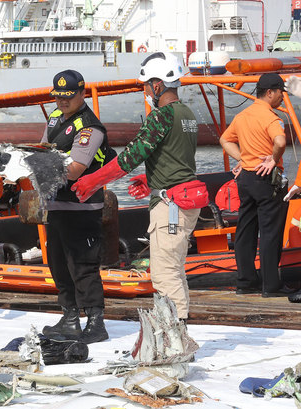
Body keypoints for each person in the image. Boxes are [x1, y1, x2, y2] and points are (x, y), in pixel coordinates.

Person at [72, 52, 204, 321]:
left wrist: (90, 181)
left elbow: (128, 158)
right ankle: (178, 328)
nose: (144, 91)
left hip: (170, 206)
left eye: (145, 85)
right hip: (184, 198)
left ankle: (173, 334)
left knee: (165, 273)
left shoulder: (161, 117)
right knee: (175, 268)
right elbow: (177, 157)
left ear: (157, 85)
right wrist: (150, 179)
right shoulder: (186, 114)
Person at [38, 70, 114, 344]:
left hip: (82, 207)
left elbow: (76, 169)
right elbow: (43, 149)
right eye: (58, 97)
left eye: (68, 96)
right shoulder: (55, 118)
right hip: (57, 204)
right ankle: (69, 316)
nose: (62, 101)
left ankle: (96, 321)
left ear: (82, 93)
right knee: (58, 265)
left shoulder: (89, 126)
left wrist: (40, 163)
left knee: (83, 266)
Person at [219, 73, 291, 297]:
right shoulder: (270, 117)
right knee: (270, 232)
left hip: (246, 179)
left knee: (245, 230)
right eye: (280, 92)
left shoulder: (243, 115)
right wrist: (272, 157)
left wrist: (241, 159)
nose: (282, 97)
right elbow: (280, 141)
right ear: (270, 92)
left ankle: (245, 282)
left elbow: (224, 140)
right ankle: (270, 286)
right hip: (266, 179)